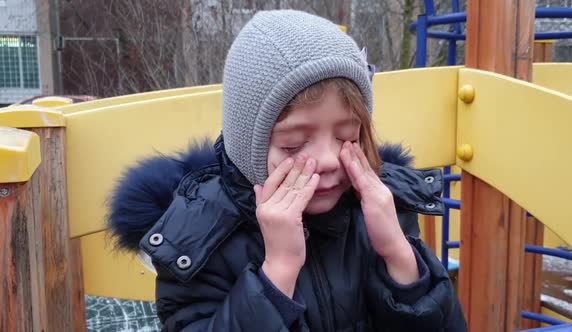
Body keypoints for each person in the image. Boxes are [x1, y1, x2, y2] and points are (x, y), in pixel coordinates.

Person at [108, 10, 466, 331]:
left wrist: (398, 254)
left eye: (346, 135)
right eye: (294, 145)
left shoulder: (379, 209)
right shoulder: (197, 242)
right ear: (248, 146)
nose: (328, 159)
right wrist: (277, 270)